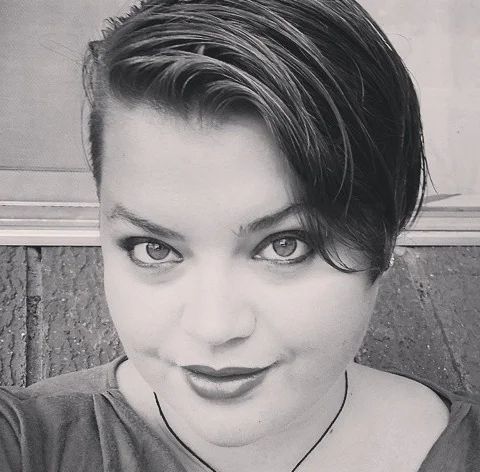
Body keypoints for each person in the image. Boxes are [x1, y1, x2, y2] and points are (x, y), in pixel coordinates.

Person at [1, 0, 479, 471]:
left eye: (285, 246)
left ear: (385, 239)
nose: (214, 327)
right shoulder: (29, 441)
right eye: (155, 249)